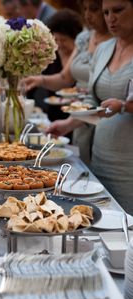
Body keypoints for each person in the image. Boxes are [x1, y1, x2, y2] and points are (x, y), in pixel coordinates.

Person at [48, 0, 133, 214]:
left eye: (118, 10)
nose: (110, 18)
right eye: (106, 12)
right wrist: (69, 124)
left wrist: (123, 106)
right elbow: (96, 105)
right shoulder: (104, 49)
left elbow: (115, 106)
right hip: (101, 155)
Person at [24, 0, 111, 164]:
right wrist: (38, 79)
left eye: (94, 9)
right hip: (80, 112)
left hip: (104, 112)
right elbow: (65, 78)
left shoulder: (116, 41)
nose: (87, 15)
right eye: (85, 9)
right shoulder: (85, 38)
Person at [27, 9, 83, 119]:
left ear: (76, 38)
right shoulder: (52, 55)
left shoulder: (81, 58)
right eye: (56, 39)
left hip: (76, 116)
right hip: (53, 116)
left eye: (64, 40)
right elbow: (33, 85)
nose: (59, 45)